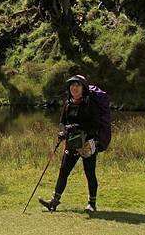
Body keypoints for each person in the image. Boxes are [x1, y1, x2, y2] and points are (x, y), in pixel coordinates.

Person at [38, 74, 110, 214]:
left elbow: (95, 125)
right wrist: (62, 133)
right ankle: (53, 202)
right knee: (63, 171)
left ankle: (92, 204)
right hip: (71, 143)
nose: (74, 88)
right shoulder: (68, 104)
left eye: (77, 85)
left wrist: (76, 127)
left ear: (83, 88)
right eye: (72, 85)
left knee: (89, 173)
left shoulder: (90, 104)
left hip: (88, 144)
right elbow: (63, 123)